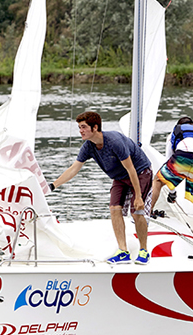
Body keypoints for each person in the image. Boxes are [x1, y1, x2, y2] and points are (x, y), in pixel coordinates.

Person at [49, 111, 153, 266]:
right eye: (79, 127)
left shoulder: (115, 141)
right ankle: (123, 252)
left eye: (83, 127)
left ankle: (144, 250)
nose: (81, 131)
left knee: (136, 211)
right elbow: (74, 168)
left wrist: (138, 196)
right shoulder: (88, 146)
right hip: (119, 177)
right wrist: (52, 186)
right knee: (114, 208)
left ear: (95, 127)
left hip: (140, 172)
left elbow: (131, 169)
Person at [151, 116, 193, 260]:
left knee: (158, 180)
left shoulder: (175, 133)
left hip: (183, 155)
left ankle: (146, 217)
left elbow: (169, 158)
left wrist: (172, 193)